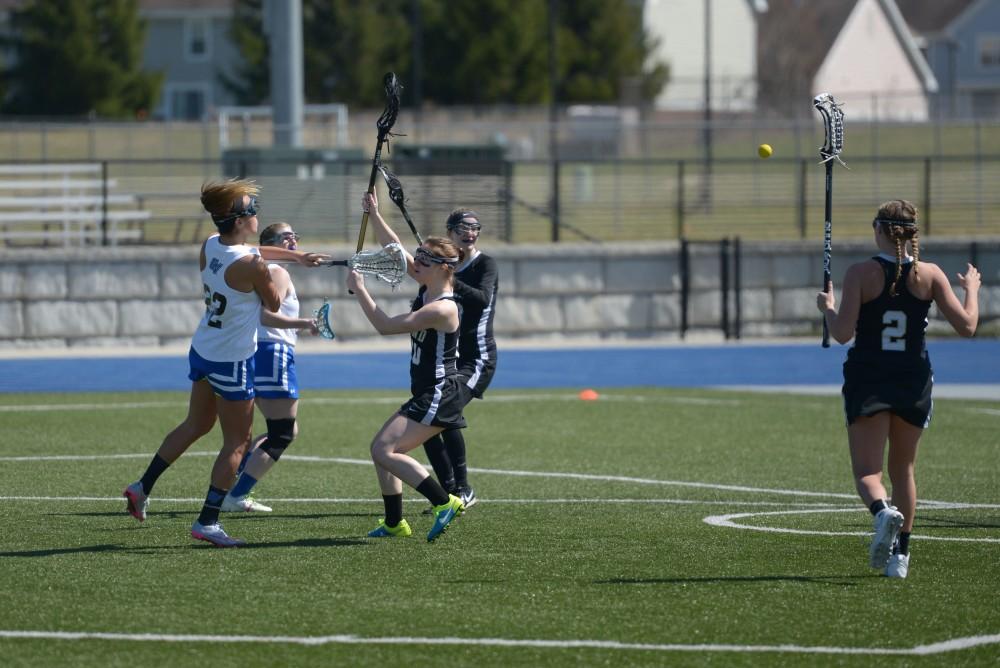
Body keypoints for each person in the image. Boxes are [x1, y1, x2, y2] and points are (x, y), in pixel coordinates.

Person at [122, 180, 327, 547]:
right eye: (252, 211)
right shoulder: (253, 266)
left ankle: (142, 486)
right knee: (237, 442)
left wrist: (296, 257)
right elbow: (274, 305)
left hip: (203, 348)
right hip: (232, 359)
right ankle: (208, 521)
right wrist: (278, 271)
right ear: (240, 221)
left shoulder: (211, 245)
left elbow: (250, 252)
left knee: (196, 424)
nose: (257, 216)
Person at [816, 199, 980, 578]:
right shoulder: (931, 274)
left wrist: (827, 306)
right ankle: (900, 557)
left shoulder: (860, 273)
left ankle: (882, 512)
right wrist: (971, 287)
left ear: (878, 229)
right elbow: (968, 326)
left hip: (869, 377)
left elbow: (841, 334)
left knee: (867, 474)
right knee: (903, 468)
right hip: (913, 379)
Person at [348, 191, 467, 542]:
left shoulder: (442, 307)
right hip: (428, 389)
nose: (414, 265)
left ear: (443, 268)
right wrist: (375, 213)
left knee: (383, 450)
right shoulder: (429, 285)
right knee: (383, 452)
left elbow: (385, 326)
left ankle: (444, 502)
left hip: (440, 391)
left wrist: (360, 289)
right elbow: (394, 247)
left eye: (423, 262)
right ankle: (394, 523)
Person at [222, 222, 320, 514]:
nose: (293, 241)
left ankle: (234, 483)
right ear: (271, 243)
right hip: (273, 354)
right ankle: (235, 495)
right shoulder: (277, 271)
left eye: (295, 235)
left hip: (261, 352)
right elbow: (267, 316)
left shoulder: (263, 269)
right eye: (286, 237)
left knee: (284, 429)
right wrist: (304, 324)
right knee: (282, 434)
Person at [419, 208, 499, 510]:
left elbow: (481, 299)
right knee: (427, 424)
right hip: (451, 360)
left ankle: (463, 490)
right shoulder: (441, 265)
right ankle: (451, 493)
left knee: (441, 417)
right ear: (450, 230)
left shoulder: (485, 264)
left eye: (475, 228)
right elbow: (405, 258)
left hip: (477, 359)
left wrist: (448, 277)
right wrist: (374, 214)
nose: (471, 233)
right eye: (464, 228)